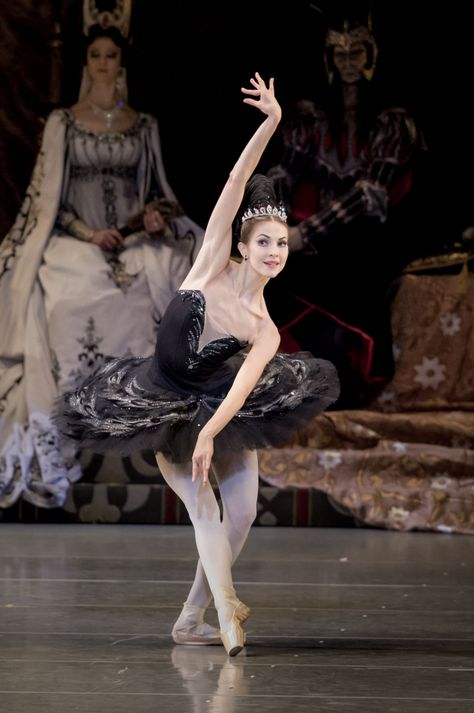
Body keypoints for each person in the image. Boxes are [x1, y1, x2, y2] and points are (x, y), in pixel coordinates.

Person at [55, 73, 339, 655]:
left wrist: (212, 432)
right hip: (163, 400)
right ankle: (229, 617)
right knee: (204, 508)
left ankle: (191, 619)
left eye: (282, 245)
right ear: (242, 244)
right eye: (265, 242)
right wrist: (272, 124)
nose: (275, 253)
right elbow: (238, 181)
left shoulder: (265, 328)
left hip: (218, 405)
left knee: (244, 512)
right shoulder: (211, 263)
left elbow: (240, 391)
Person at [0, 24, 203, 508]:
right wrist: (90, 233)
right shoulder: (64, 122)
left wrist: (153, 216)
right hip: (79, 239)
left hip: (133, 243)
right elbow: (51, 199)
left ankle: (149, 418)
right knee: (69, 296)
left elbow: (158, 190)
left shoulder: (142, 124)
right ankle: (74, 419)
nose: (103, 63)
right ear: (86, 62)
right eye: (95, 55)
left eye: (111, 55)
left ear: (121, 63)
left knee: (169, 281)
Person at [267, 9, 424, 407]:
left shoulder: (392, 122)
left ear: (371, 57)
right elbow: (286, 170)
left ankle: (342, 391)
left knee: (347, 293)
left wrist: (303, 234)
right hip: (311, 244)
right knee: (279, 285)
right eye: (342, 55)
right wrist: (273, 220)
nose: (349, 62)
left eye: (357, 53)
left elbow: (371, 192)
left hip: (365, 242)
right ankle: (299, 391)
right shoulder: (313, 116)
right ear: (330, 60)